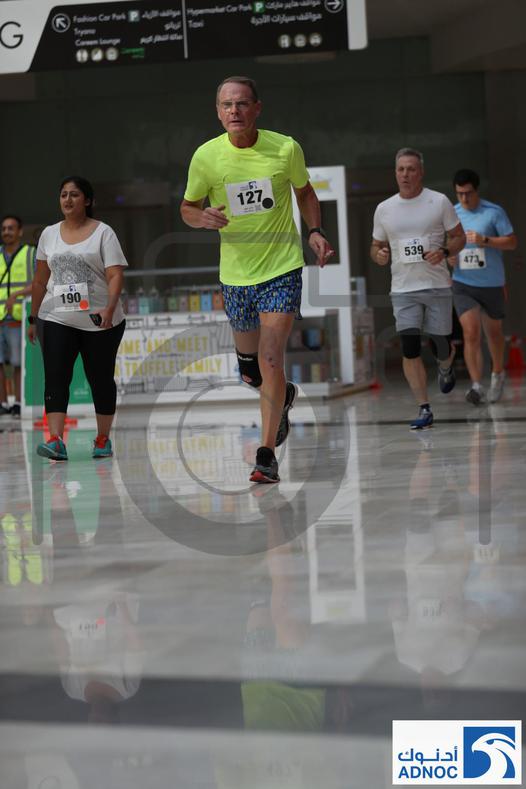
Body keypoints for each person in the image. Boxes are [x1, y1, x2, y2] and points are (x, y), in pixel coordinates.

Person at [180, 76, 333, 482]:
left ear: (257, 108)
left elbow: (305, 193)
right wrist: (201, 218)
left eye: (242, 103)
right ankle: (284, 396)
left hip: (281, 267)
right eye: (227, 105)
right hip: (236, 275)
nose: (235, 111)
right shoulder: (206, 157)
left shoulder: (285, 148)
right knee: (251, 372)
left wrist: (315, 231)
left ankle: (266, 454)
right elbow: (187, 207)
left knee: (271, 358)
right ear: (218, 112)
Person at [28, 176, 127, 461]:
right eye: (63, 195)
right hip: (56, 318)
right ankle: (56, 440)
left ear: (88, 200)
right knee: (56, 377)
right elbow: (40, 280)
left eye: (74, 194)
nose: (68, 199)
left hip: (100, 321)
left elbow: (115, 274)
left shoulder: (103, 233)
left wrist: (110, 308)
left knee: (101, 380)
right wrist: (34, 318)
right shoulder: (49, 234)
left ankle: (102, 438)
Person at [371, 148, 466, 430]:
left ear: (421, 172)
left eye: (411, 169)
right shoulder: (384, 209)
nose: (405, 174)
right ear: (395, 173)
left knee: (440, 346)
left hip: (437, 285)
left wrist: (445, 251)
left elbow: (459, 237)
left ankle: (446, 366)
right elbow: (376, 246)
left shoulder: (439, 201)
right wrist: (379, 255)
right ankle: (424, 407)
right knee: (410, 348)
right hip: (403, 289)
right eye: (401, 169)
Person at [451, 169, 518, 405]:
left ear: (476, 190)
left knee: (494, 334)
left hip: (491, 284)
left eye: (468, 193)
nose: (464, 198)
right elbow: (446, 244)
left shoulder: (493, 212)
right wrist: (449, 256)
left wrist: (485, 240)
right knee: (470, 333)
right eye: (459, 193)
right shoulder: (452, 214)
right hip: (463, 284)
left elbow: (512, 242)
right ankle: (477, 385)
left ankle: (497, 373)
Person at [0, 215, 35, 417]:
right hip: (0, 317)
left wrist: (17, 294)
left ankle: (19, 403)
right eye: (4, 228)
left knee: (17, 363)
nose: (6, 232)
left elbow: (39, 282)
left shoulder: (30, 254)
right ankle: (3, 403)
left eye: (11, 228)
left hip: (18, 317)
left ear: (20, 231)